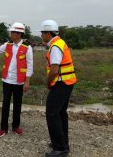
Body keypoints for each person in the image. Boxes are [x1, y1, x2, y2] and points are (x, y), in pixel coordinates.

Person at [40, 19, 77, 157]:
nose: (41, 36)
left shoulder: (55, 47)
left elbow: (54, 70)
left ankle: (60, 148)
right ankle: (63, 142)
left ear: (48, 33)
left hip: (60, 84)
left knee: (52, 114)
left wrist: (48, 82)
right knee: (61, 113)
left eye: (42, 33)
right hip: (67, 83)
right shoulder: (60, 43)